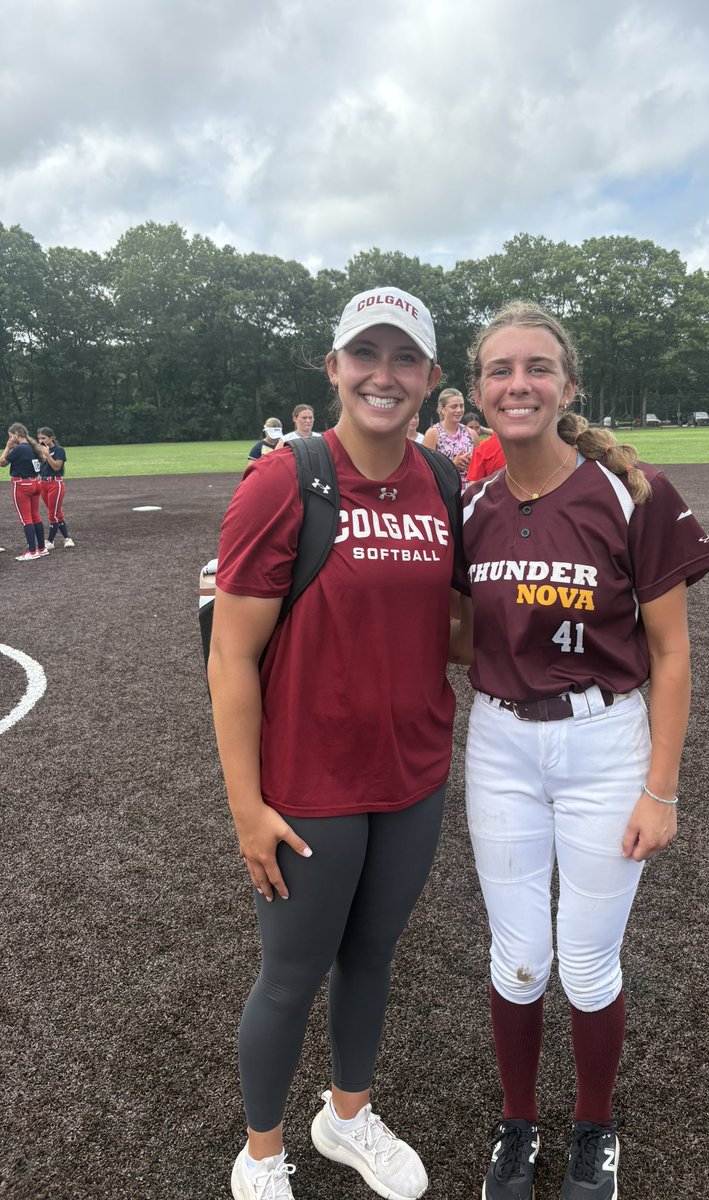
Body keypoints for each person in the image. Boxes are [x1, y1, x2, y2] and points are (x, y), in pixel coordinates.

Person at [456, 302, 709, 1200]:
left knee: (587, 958)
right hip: (498, 742)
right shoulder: (474, 504)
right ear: (479, 391)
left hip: (605, 742)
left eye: (537, 368)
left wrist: (663, 790)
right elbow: (461, 633)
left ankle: (595, 1130)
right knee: (518, 955)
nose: (518, 383)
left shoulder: (631, 492)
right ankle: (517, 1124)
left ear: (568, 387)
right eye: (500, 370)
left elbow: (674, 654)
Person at [208, 286, 462, 1200]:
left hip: (413, 771)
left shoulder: (443, 481)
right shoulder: (286, 479)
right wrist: (246, 805)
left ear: (432, 379)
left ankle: (346, 1118)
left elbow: (457, 623)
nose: (383, 376)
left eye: (405, 360)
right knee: (290, 975)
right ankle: (263, 1153)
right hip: (309, 781)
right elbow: (231, 656)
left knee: (373, 954)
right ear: (334, 368)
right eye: (366, 356)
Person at [0, 423, 50, 561]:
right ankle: (42, 548)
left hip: (21, 484)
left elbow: (2, 463)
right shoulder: (32, 447)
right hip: (35, 483)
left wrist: (8, 447)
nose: (10, 439)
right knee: (36, 517)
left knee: (25, 519)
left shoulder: (19, 448)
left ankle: (32, 551)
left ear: (16, 434)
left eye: (11, 436)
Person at [421, 387, 473, 479]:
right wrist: (453, 464)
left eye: (461, 406)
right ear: (441, 409)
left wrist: (472, 465)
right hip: (446, 490)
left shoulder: (471, 434)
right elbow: (426, 469)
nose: (459, 410)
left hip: (470, 489)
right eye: (454, 406)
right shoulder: (433, 433)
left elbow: (480, 467)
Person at [36, 427, 75, 549]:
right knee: (56, 512)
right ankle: (67, 539)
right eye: (39, 438)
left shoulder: (59, 450)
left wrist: (47, 455)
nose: (41, 440)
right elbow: (38, 469)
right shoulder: (39, 451)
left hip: (55, 484)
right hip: (43, 484)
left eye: (44, 438)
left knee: (52, 513)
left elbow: (57, 467)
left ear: (51, 437)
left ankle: (50, 541)